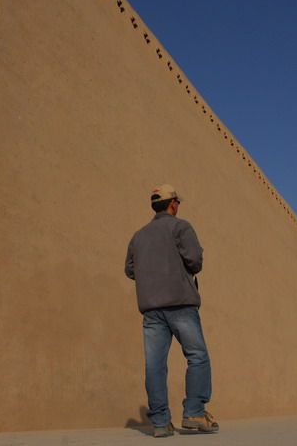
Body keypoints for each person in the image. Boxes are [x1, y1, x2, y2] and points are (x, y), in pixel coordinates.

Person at [125, 184, 219, 438]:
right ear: (173, 204)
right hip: (180, 304)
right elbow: (195, 261)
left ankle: (160, 422)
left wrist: (151, 276)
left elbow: (130, 270)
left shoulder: (138, 236)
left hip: (151, 309)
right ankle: (194, 413)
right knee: (197, 356)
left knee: (155, 365)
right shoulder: (181, 227)